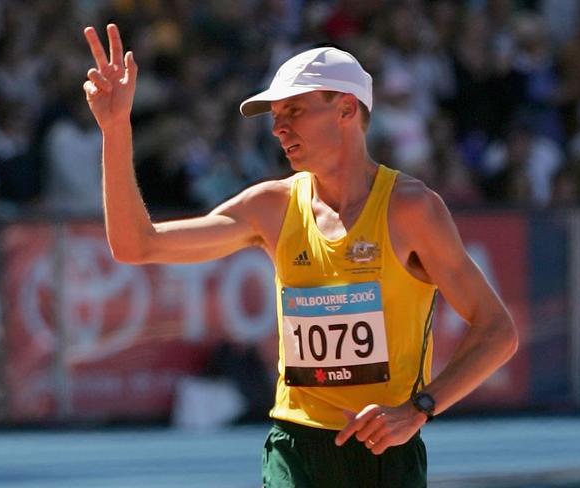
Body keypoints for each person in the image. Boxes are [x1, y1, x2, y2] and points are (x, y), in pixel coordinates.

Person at [83, 23, 518, 488]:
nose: (278, 127)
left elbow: (497, 331)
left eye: (294, 110)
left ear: (347, 109)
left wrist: (418, 410)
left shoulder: (410, 208)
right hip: (297, 449)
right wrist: (115, 129)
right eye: (274, 115)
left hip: (384, 451)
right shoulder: (270, 207)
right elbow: (136, 245)